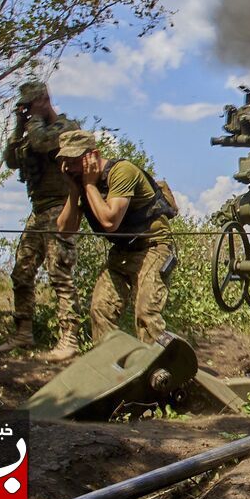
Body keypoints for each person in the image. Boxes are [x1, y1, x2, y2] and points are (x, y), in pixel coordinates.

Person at [55, 130, 176, 345]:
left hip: (153, 248)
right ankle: (110, 367)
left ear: (93, 155)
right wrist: (75, 190)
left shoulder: (121, 172)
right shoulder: (81, 183)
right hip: (121, 253)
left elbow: (110, 222)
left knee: (146, 314)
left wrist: (89, 185)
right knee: (100, 310)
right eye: (66, 162)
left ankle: (158, 372)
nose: (70, 168)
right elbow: (65, 230)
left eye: (75, 161)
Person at [0, 81, 80, 359]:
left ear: (45, 99)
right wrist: (18, 126)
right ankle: (23, 333)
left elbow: (42, 143)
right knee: (22, 270)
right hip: (39, 210)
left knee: (60, 272)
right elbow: (11, 160)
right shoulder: (30, 130)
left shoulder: (66, 128)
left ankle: (69, 339)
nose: (29, 110)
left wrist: (32, 121)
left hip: (61, 207)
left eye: (32, 104)